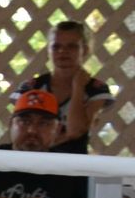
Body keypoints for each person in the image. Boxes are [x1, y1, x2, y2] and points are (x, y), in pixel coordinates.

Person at [16, 20, 111, 153]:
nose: (62, 51)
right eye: (56, 47)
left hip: (71, 163)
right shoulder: (32, 87)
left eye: (71, 46)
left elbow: (76, 130)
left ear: (85, 50)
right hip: (33, 160)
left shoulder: (95, 89)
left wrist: (78, 88)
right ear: (48, 50)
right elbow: (20, 131)